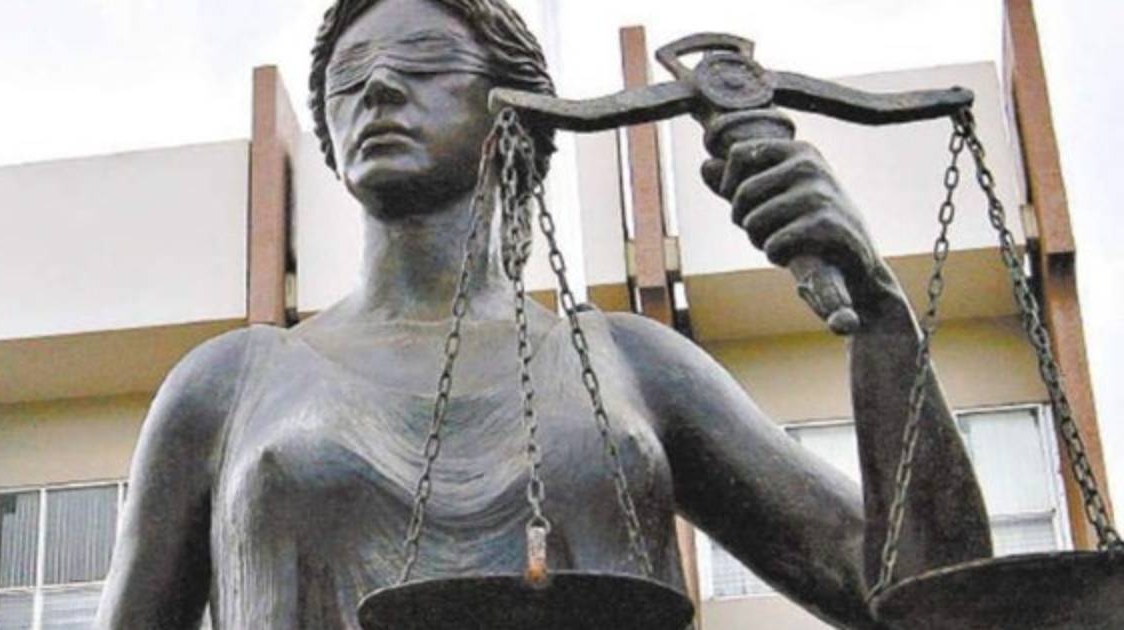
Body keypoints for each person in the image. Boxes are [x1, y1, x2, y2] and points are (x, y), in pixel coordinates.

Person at [96, 0, 992, 627]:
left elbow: (918, 598)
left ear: (516, 113)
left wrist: (881, 319)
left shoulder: (631, 364)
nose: (379, 90)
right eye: (349, 78)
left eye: (425, 66)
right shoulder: (228, 385)